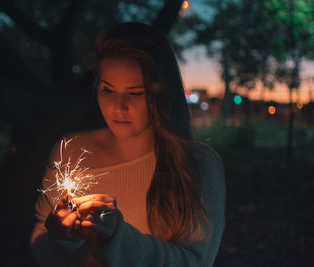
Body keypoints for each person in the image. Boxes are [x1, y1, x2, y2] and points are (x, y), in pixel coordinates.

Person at [30, 22, 225, 267]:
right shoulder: (69, 151)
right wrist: (61, 239)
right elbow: (41, 245)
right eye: (108, 90)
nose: (118, 106)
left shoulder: (196, 164)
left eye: (135, 93)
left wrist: (115, 239)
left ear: (160, 93)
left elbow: (194, 262)